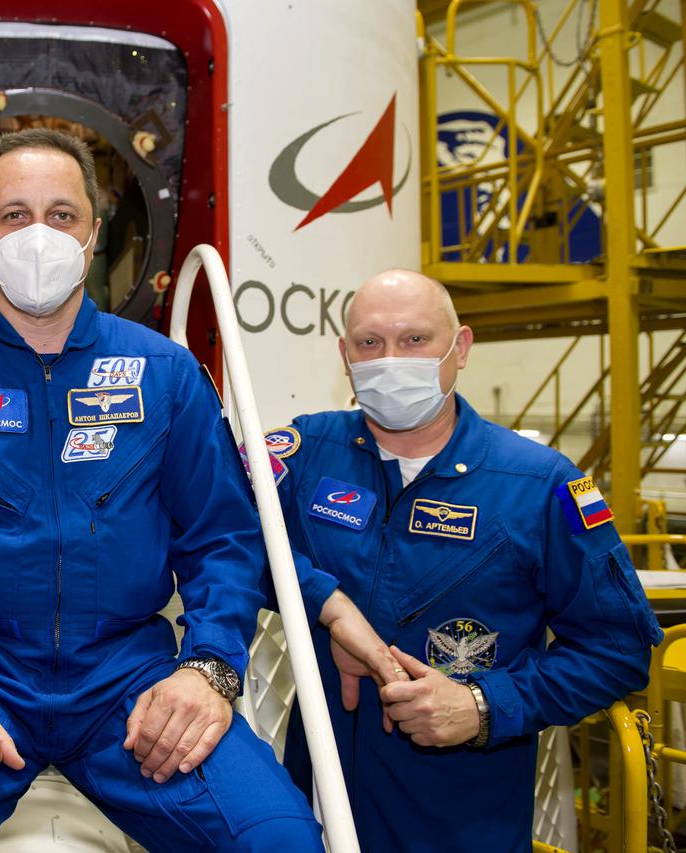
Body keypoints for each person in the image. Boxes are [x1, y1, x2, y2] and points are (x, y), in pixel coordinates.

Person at [0, 128, 399, 851]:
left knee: (280, 838)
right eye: (15, 216)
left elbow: (224, 540)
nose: (38, 236)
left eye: (62, 215)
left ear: (94, 235)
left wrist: (207, 667)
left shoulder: (164, 374)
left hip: (126, 679)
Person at [270, 269, 662, 852]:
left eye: (415, 339)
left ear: (461, 348)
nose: (390, 360)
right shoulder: (303, 453)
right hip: (315, 809)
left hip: (460, 822)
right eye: (370, 343)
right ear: (344, 356)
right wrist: (325, 605)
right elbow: (225, 539)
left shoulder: (540, 484)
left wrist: (483, 706)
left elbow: (618, 650)